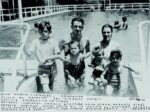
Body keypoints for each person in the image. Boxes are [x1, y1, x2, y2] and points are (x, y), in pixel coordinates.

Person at [24, 21, 62, 93]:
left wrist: (46, 58)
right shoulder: (35, 41)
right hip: (42, 67)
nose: (43, 33)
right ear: (38, 31)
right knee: (46, 89)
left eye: (45, 31)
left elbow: (58, 55)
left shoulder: (53, 41)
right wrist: (24, 49)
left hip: (53, 67)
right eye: (41, 31)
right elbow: (29, 54)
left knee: (51, 86)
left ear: (50, 31)